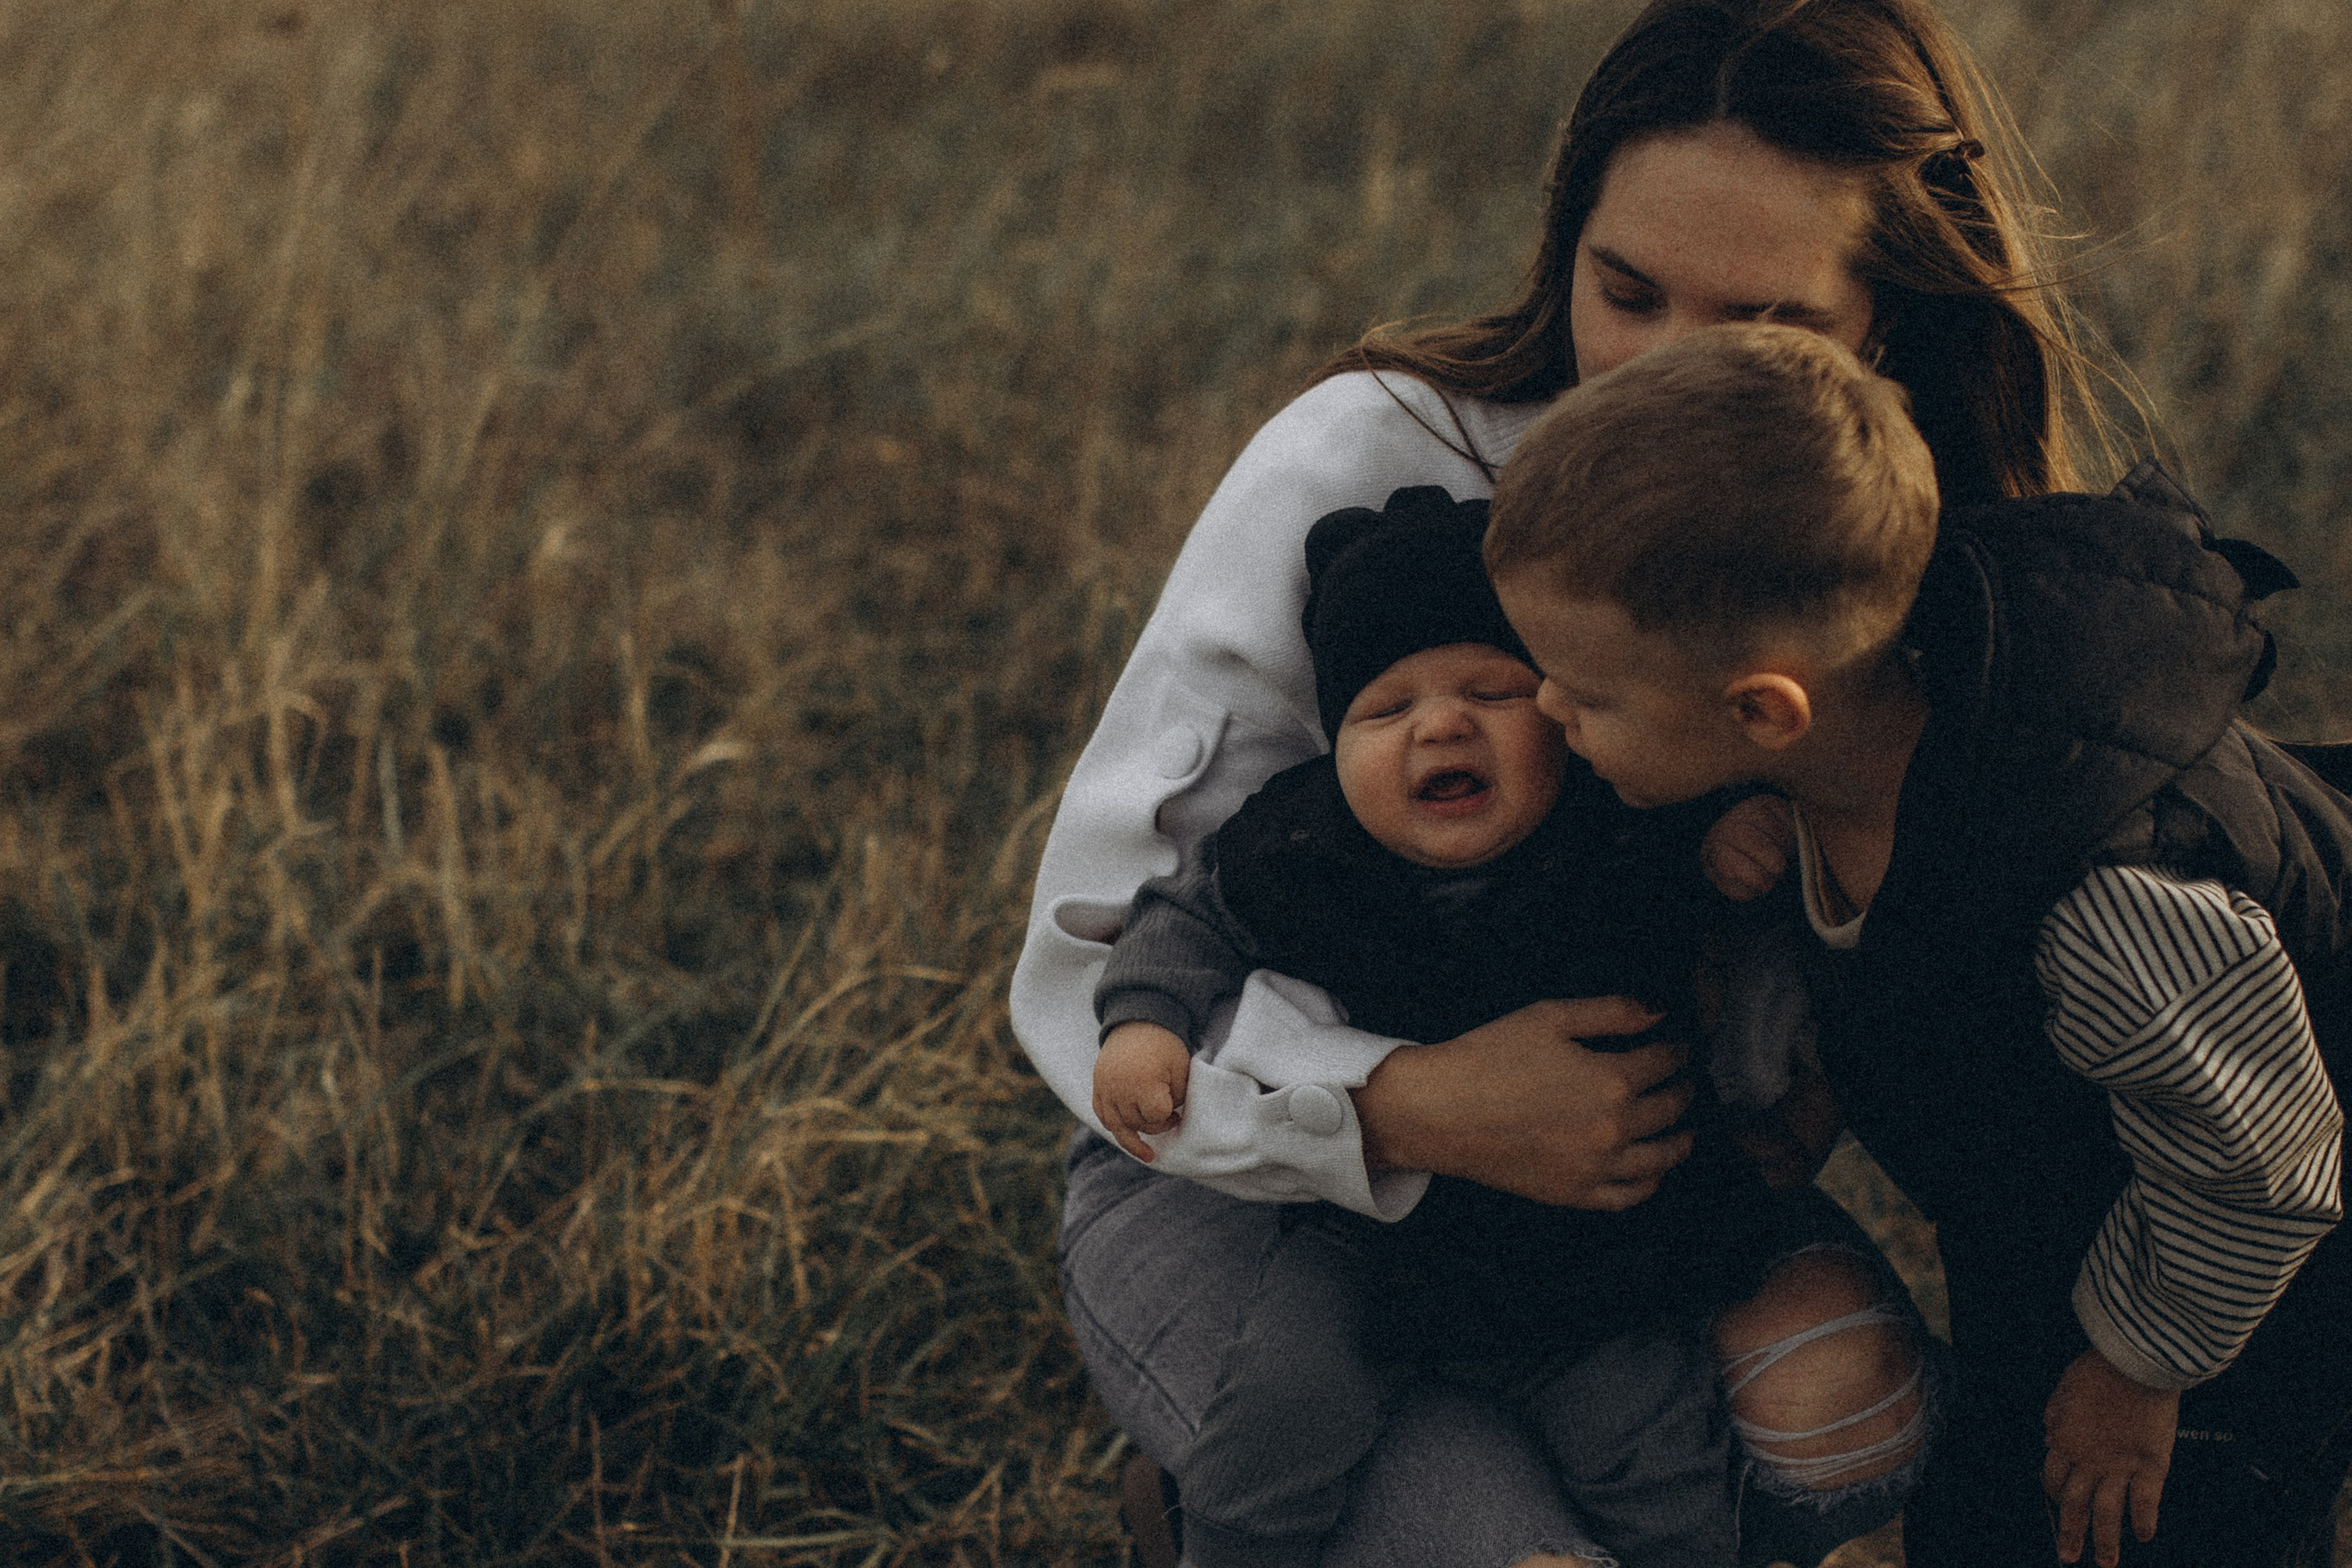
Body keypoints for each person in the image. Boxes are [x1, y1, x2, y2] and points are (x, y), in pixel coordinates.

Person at [1016, 0, 2122, 1560]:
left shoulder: (1872, 519)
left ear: (1883, 324)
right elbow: (1093, 965)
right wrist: (1402, 1104)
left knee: (1850, 1407)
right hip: (1255, 1187)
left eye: (1760, 322)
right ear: (1565, 243)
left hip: (1609, 1197)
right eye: (1626, 290)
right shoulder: (1372, 458)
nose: (1655, 373)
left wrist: (1788, 1087)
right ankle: (1245, 1497)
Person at [1485, 320, 2350, 1568]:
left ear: (1765, 709)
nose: (1547, 707)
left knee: (2163, 1530)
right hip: (2067, 1233)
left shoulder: (2096, 899)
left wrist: (2139, 1368)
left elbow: (2266, 1164)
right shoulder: (1848, 753)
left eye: (1588, 691)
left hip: (2246, 1301)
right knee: (1987, 1517)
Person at [1091, 486, 1903, 1568]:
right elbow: (1181, 919)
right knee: (1282, 1410)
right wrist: (1143, 1025)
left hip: (1592, 1254)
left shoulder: (1621, 816)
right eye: (1385, 710)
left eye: (1491, 689)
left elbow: (1716, 836)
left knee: (1661, 1455)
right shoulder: (1296, 844)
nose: (1440, 724)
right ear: (1332, 745)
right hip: (1369, 1238)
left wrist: (1735, 839)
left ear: (1566, 716)